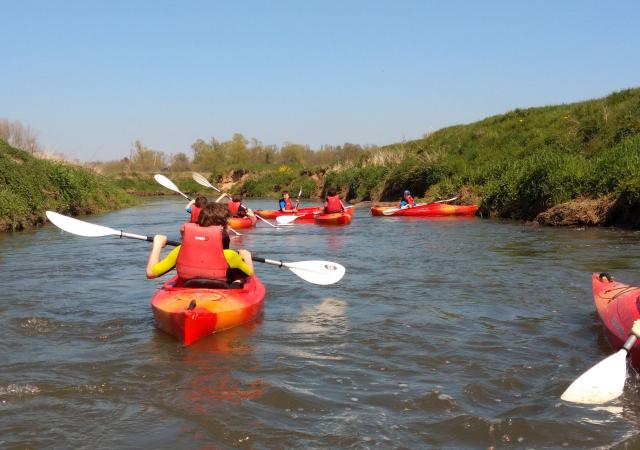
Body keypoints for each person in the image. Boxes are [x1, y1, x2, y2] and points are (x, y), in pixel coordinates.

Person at [146, 202, 254, 286]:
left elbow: (151, 273)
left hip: (187, 295)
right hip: (220, 297)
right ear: (222, 228)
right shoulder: (230, 255)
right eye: (228, 224)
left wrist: (157, 245)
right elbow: (249, 274)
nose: (230, 227)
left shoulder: (181, 250)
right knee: (239, 279)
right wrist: (247, 256)